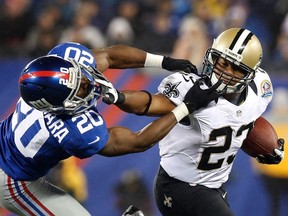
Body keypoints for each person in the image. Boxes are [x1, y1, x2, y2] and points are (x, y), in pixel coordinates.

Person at [0, 44, 218, 215]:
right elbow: (137, 141)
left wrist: (165, 61)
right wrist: (186, 107)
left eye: (82, 77)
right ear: (59, 108)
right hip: (13, 180)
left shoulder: (62, 66)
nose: (88, 84)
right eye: (80, 89)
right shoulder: (74, 132)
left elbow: (110, 55)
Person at [105, 28, 285, 216]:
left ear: (251, 74)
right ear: (212, 56)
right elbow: (147, 104)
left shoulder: (260, 89)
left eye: (237, 68)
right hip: (180, 186)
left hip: (215, 185)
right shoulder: (193, 90)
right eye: (222, 62)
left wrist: (265, 148)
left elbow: (242, 120)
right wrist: (119, 97)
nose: (226, 72)